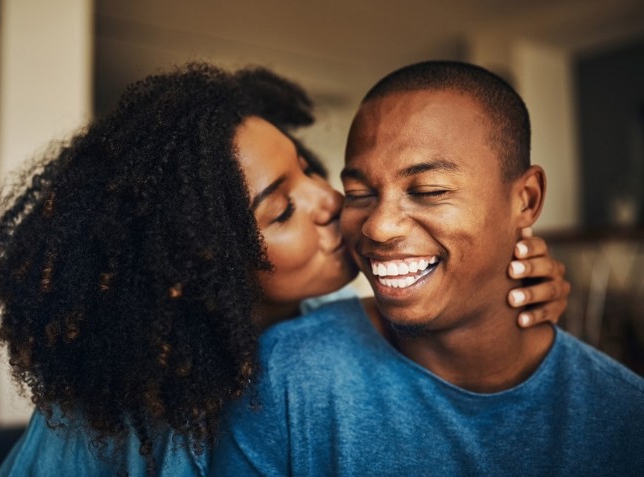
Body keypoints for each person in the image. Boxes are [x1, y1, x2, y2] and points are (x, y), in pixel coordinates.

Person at [0, 63, 570, 476]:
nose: (330, 202)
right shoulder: (111, 407)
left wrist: (505, 283)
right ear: (195, 263)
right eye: (283, 209)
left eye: (309, 169)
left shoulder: (329, 322)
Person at [210, 60, 644, 476]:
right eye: (359, 192)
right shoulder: (283, 375)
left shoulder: (623, 416)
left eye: (429, 190)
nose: (378, 227)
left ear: (525, 200)